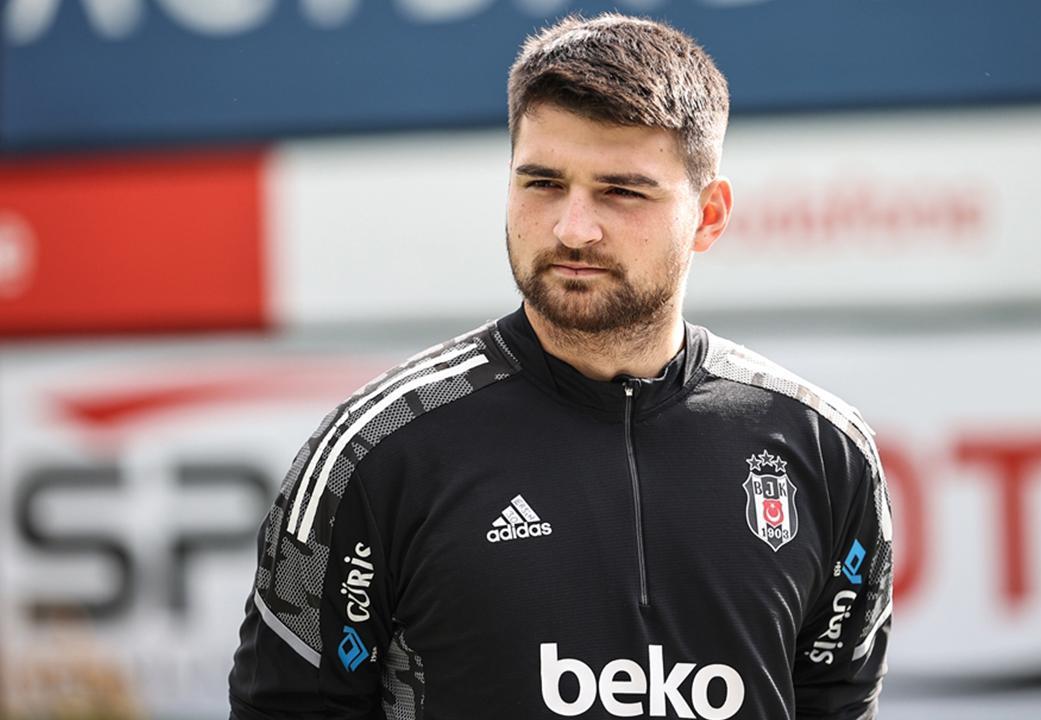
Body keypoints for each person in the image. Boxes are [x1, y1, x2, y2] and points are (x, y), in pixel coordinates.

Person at [229, 12, 891, 720]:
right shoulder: (377, 450)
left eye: (622, 191)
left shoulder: (826, 452)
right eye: (542, 183)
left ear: (709, 216)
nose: (573, 228)